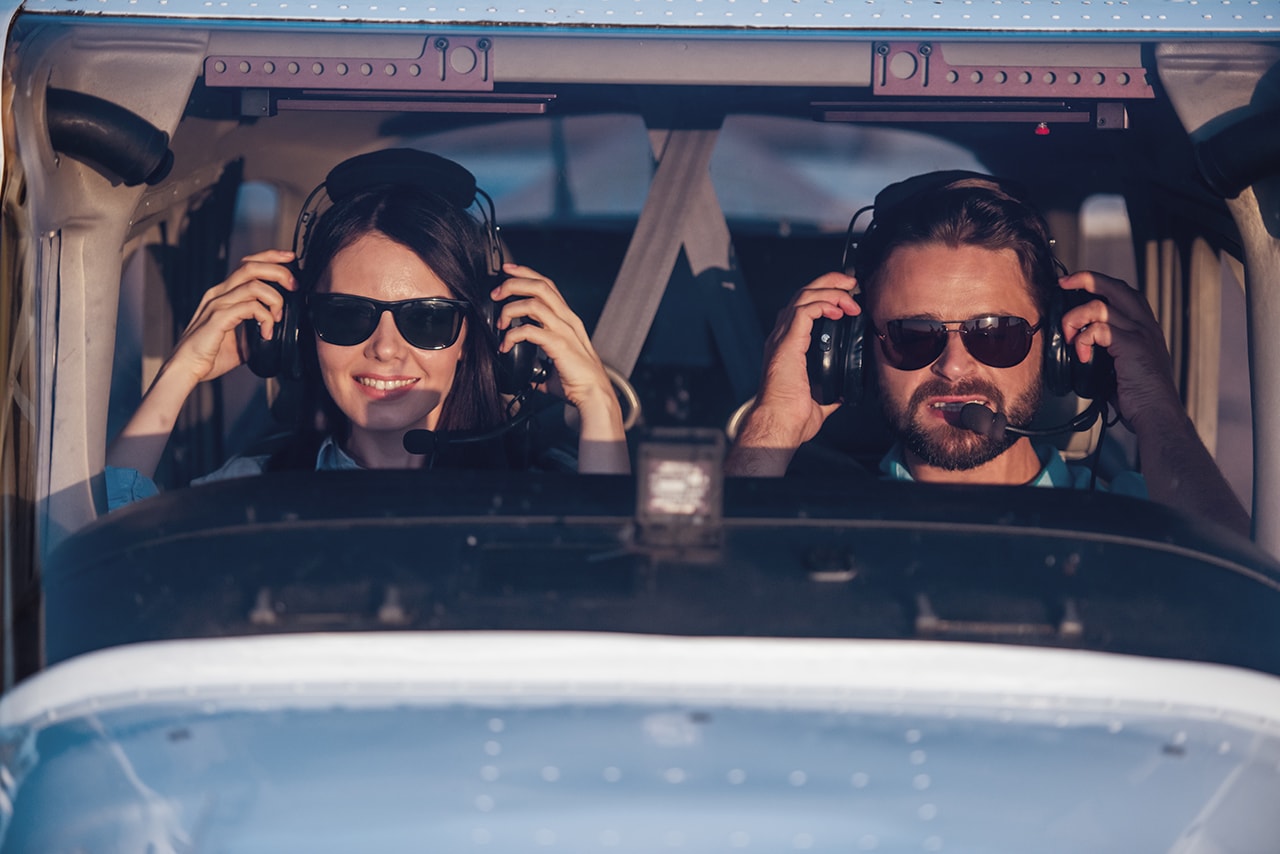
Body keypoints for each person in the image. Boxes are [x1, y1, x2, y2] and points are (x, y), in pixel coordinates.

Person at [725, 171, 1252, 538]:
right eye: (914, 334)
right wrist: (772, 425)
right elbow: (698, 602)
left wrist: (1161, 414)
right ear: (856, 351)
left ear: (1054, 346)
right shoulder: (800, 519)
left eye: (996, 334)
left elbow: (1249, 617)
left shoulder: (1144, 522)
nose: (954, 366)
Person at [106, 152, 629, 510]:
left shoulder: (541, 495)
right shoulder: (252, 493)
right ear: (297, 330)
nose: (384, 348)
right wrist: (179, 375)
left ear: (483, 333)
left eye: (427, 318)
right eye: (347, 316)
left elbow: (621, 591)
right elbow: (95, 571)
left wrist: (598, 405)